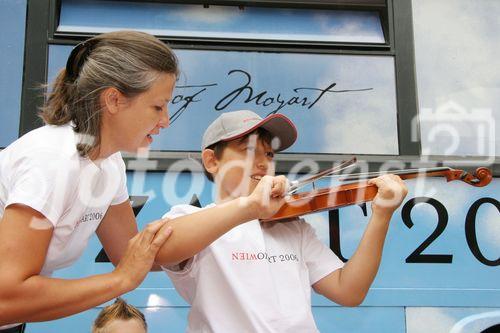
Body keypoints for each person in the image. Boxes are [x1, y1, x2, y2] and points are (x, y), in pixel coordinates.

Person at [0, 32, 288, 332]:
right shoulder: (51, 159)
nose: (165, 120)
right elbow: (5, 298)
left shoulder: (108, 165)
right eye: (157, 107)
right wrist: (119, 280)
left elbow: (140, 255)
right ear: (113, 100)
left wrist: (244, 208)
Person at [162, 110, 409, 332]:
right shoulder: (188, 217)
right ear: (212, 161)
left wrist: (382, 215)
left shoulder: (293, 227)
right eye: (248, 150)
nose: (262, 162)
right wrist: (250, 207)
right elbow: (162, 249)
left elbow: (349, 291)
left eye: (269, 154)